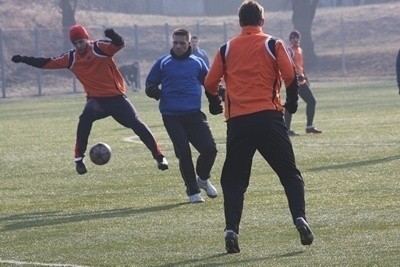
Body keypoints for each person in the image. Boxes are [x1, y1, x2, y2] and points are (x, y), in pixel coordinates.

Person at [204, 0, 314, 253]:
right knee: (290, 175)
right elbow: (290, 76)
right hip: (269, 118)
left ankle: (231, 230)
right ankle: (299, 217)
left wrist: (213, 102)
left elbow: (210, 82)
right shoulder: (273, 44)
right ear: (262, 21)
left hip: (239, 122)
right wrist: (293, 102)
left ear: (240, 22)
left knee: (234, 180)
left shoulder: (226, 48)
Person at [11, 25, 168, 175]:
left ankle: (159, 157)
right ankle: (79, 159)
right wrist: (24, 59)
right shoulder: (71, 58)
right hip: (96, 100)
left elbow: (119, 45)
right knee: (85, 117)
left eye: (81, 41)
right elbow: (46, 62)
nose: (79, 45)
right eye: (75, 43)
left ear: (87, 38)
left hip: (116, 98)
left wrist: (113, 35)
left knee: (137, 123)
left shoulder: (99, 48)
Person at [145, 28, 222, 203]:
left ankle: (202, 179)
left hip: (194, 115)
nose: (178, 46)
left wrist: (215, 102)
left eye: (182, 43)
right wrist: (153, 91)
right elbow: (150, 83)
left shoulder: (198, 62)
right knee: (184, 153)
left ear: (189, 44)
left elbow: (209, 84)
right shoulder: (163, 62)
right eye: (175, 43)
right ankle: (193, 192)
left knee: (210, 149)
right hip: (171, 116)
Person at [284, 30, 321, 136]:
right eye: (293, 37)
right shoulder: (289, 50)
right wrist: (295, 76)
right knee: (291, 104)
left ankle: (309, 127)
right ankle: (287, 129)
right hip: (293, 82)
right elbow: (288, 66)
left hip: (301, 81)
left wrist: (305, 77)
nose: (295, 39)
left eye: (297, 37)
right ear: (290, 39)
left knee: (311, 101)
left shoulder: (300, 50)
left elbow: (300, 65)